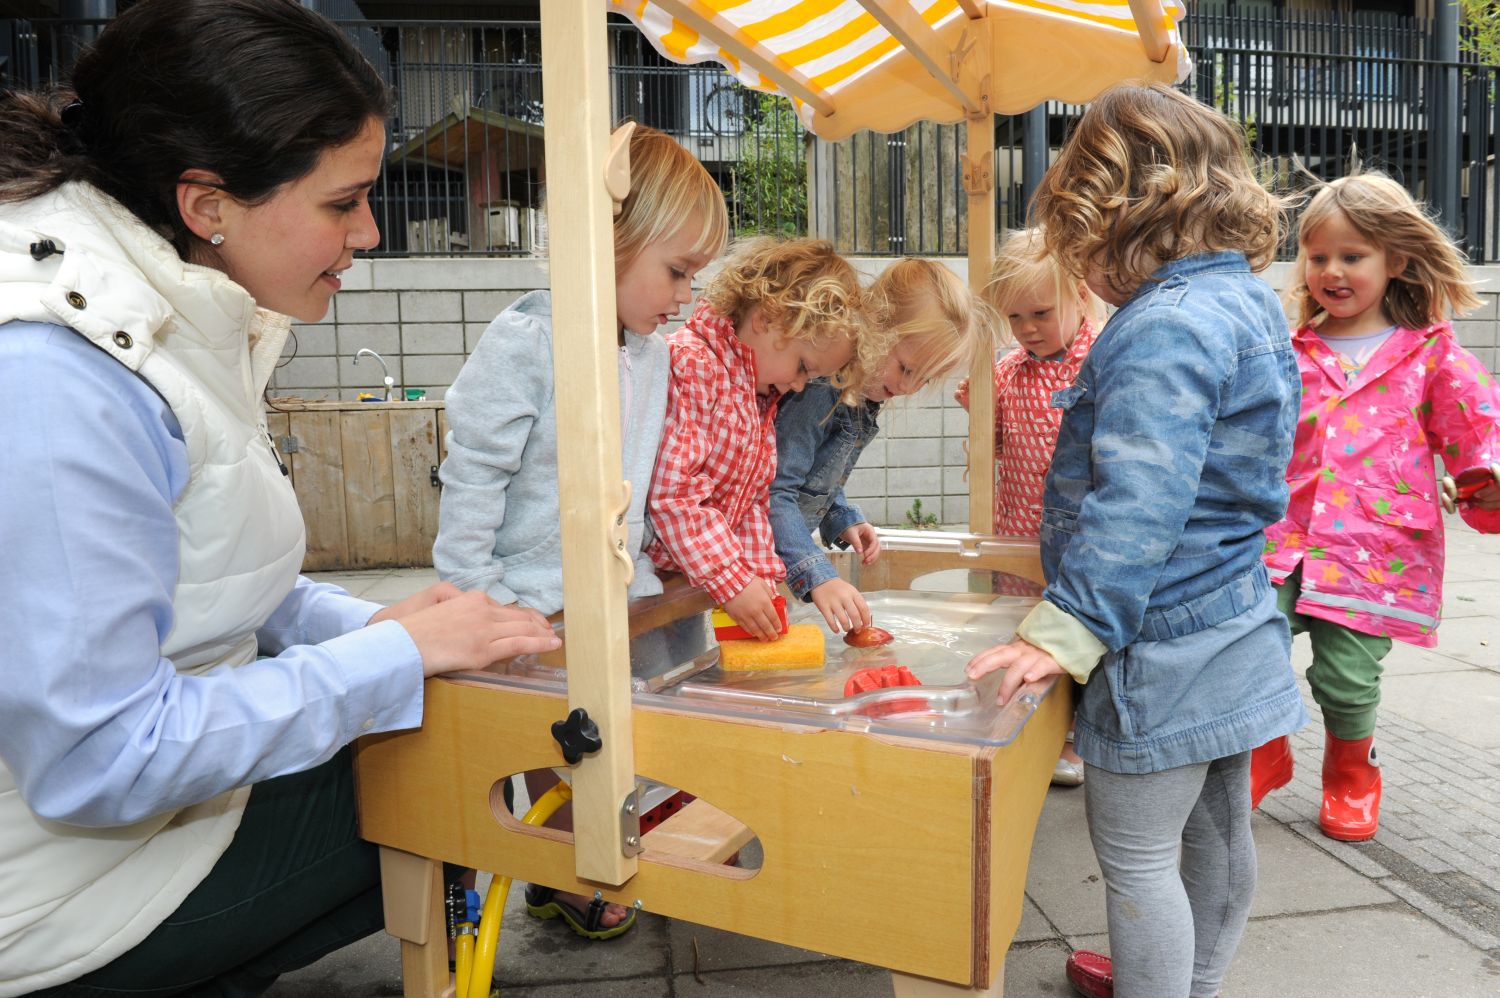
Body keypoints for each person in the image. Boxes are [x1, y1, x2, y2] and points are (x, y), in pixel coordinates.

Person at [0, 2, 559, 994]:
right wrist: (387, 656)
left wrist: (370, 621)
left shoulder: (170, 300)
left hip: (121, 832)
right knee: (480, 782)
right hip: (57, 897)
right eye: (344, 203)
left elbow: (211, 568)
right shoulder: (61, 376)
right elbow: (99, 758)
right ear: (208, 202)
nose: (372, 232)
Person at [965, 83, 1307, 998]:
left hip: (1158, 642)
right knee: (1221, 836)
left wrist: (1062, 631)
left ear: (1111, 218)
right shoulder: (1249, 304)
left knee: (1138, 859)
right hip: (1235, 613)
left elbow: (1140, 502)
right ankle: (1194, 984)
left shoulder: (1160, 327)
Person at [432, 120, 728, 938]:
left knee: (602, 747)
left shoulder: (653, 354)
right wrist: (470, 591)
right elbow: (474, 470)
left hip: (606, 588)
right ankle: (550, 869)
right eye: (676, 271)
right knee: (537, 748)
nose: (683, 297)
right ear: (611, 237)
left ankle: (579, 859)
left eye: (694, 278)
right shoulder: (528, 338)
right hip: (519, 594)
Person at [1259, 173, 1500, 841]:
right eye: (1317, 256)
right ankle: (1263, 749)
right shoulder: (1289, 351)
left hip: (1374, 550)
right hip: (1281, 537)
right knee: (1247, 644)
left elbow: (1476, 422)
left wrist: (1485, 472)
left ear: (1395, 260)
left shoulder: (1430, 352)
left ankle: (1350, 774)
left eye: (1352, 256)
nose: (1331, 271)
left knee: (1345, 675)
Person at [646, 237, 862, 641]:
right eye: (802, 366)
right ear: (767, 319)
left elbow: (751, 504)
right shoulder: (694, 365)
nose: (799, 386)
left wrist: (761, 580)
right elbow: (674, 495)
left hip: (690, 581)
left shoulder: (759, 394)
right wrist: (733, 580)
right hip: (646, 589)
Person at [954, 227, 1105, 787]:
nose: (1026, 329)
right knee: (1023, 634)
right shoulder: (1009, 369)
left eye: (1040, 313)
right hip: (1018, 532)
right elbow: (985, 427)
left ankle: (1076, 737)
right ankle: (1030, 727)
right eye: (1014, 319)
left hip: (1079, 541)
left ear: (1081, 297)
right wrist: (976, 399)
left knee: (1075, 635)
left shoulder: (1100, 363)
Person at [771, 257, 990, 635]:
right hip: (758, 554)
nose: (907, 388)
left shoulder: (863, 396)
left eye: (924, 379)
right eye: (906, 368)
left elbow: (819, 475)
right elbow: (775, 489)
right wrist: (818, 575)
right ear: (874, 326)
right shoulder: (818, 389)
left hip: (778, 555)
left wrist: (840, 515)